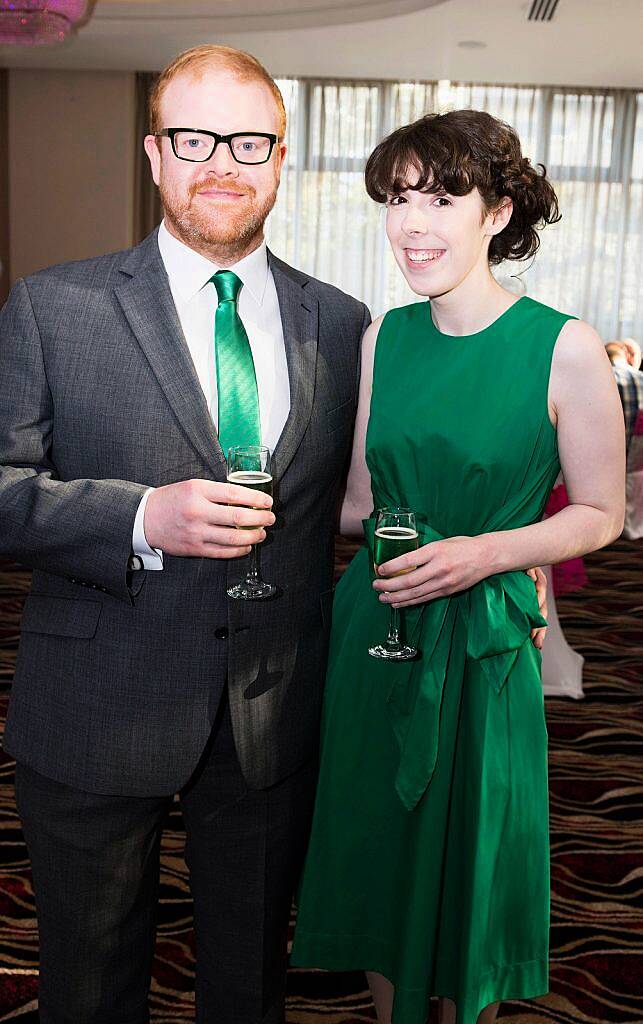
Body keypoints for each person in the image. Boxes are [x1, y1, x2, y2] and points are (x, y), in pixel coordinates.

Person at [0, 45, 370, 1024]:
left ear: (282, 158)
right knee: (89, 981)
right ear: (156, 153)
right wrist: (137, 515)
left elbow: (350, 498)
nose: (223, 162)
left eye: (249, 140)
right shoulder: (53, 307)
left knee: (249, 982)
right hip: (94, 702)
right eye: (196, 138)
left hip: (271, 711)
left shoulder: (341, 324)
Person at [290, 110, 625, 1024]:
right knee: (378, 844)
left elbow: (603, 514)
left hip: (482, 641)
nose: (413, 223)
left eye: (442, 197)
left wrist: (489, 551)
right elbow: (360, 505)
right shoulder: (381, 340)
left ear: (496, 212)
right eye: (398, 200)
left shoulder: (560, 345)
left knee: (469, 848)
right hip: (378, 627)